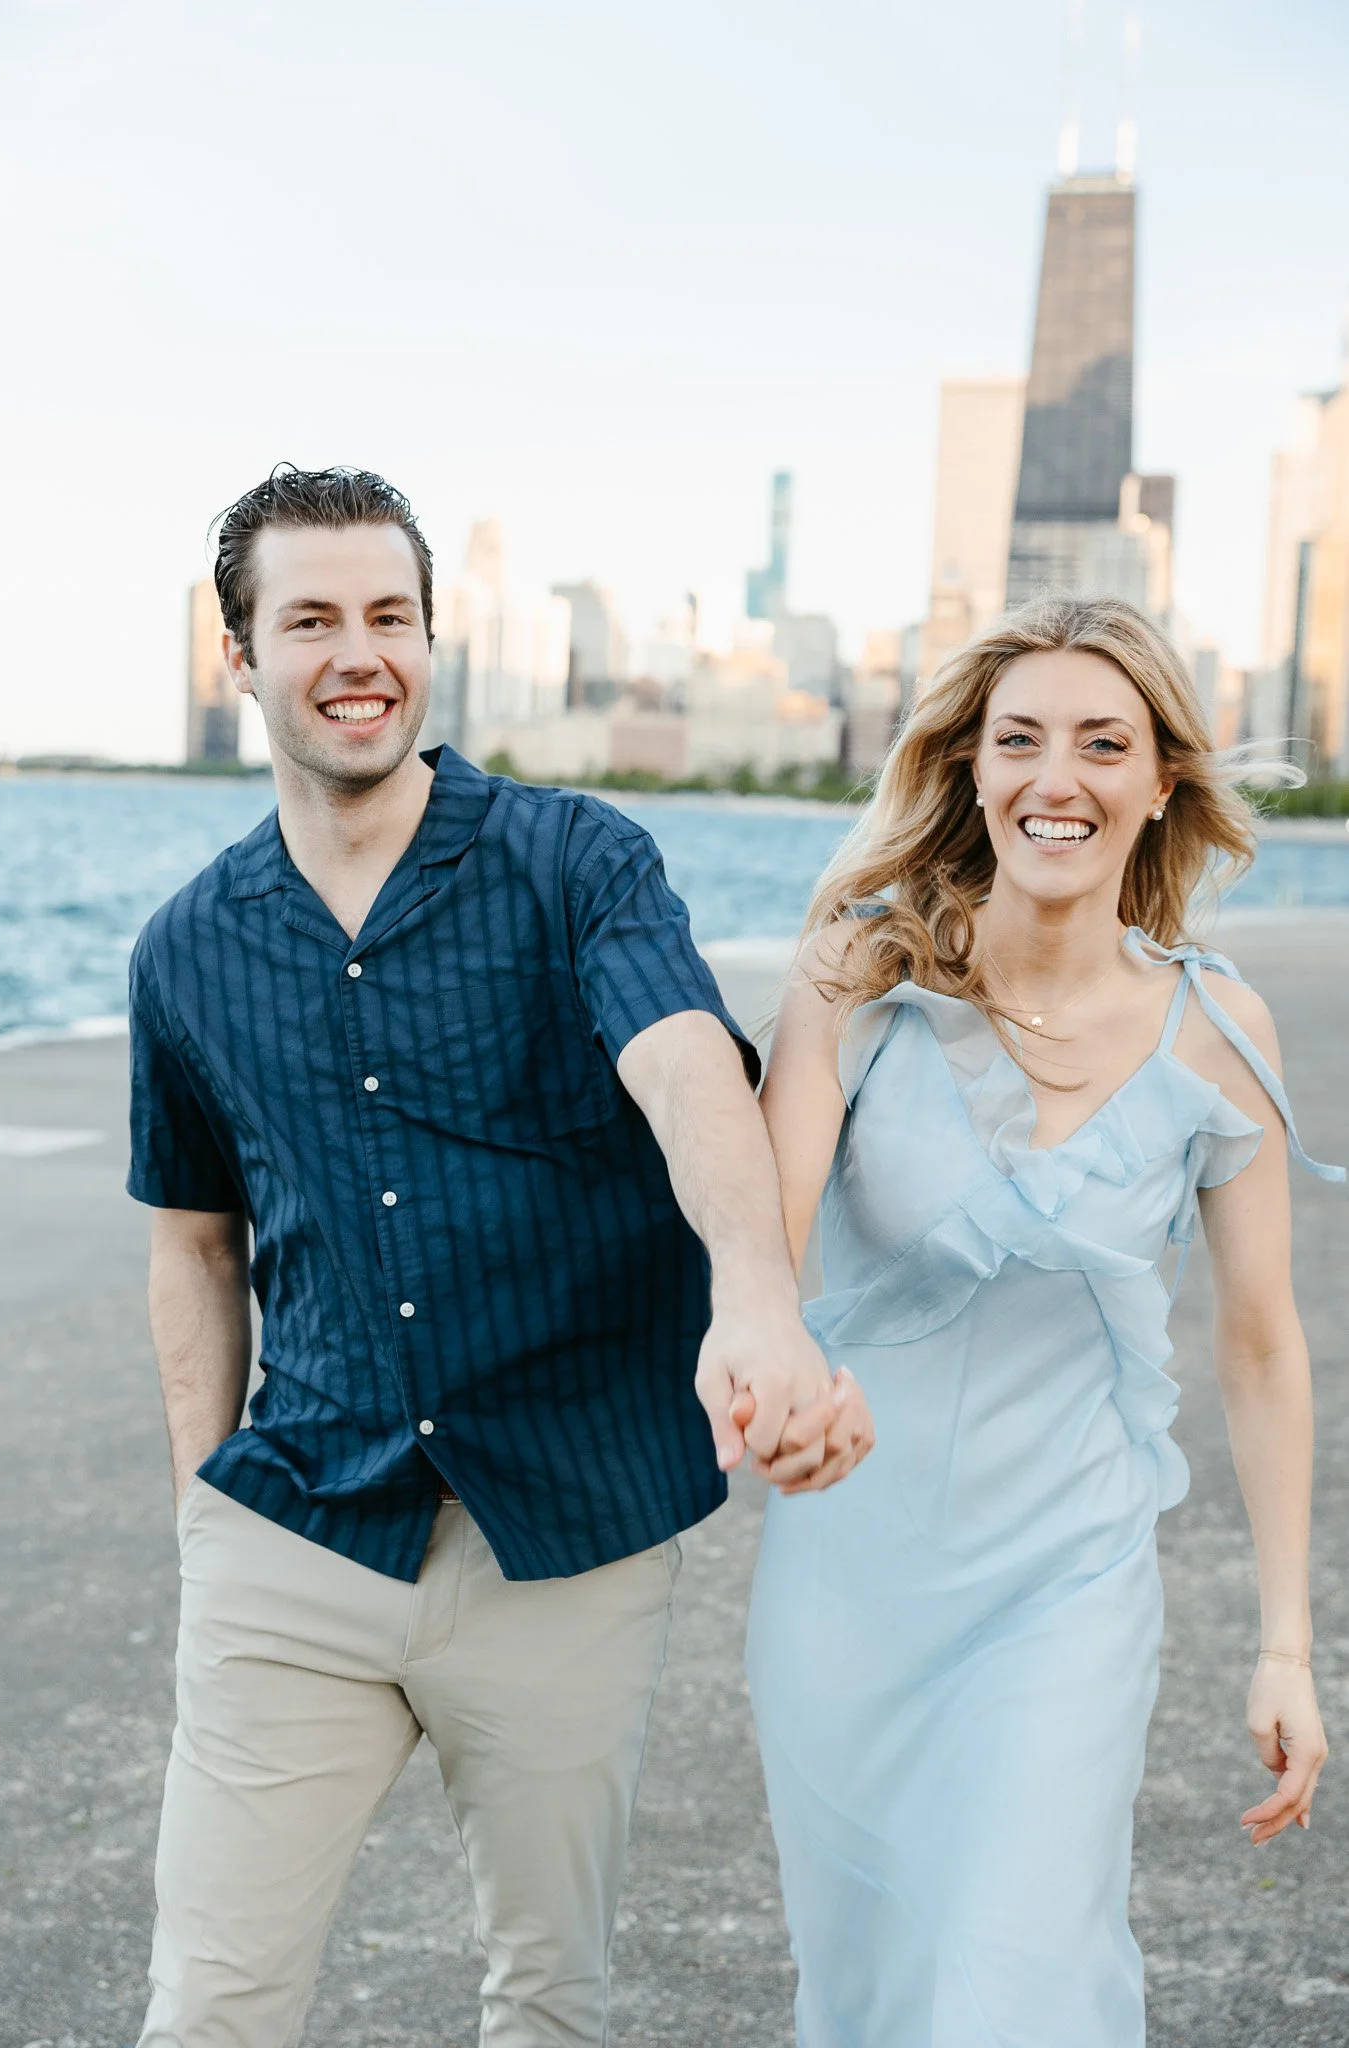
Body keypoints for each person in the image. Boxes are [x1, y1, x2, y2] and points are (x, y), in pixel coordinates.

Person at [125, 464, 872, 2048]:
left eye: (389, 614)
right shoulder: (185, 949)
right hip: (299, 1532)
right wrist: (206, 1505)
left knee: (550, 2003)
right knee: (208, 2008)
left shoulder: (577, 860)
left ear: (431, 640)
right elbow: (195, 1238)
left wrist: (755, 1294)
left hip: (570, 1532)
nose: (358, 652)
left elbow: (685, 1064)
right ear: (239, 656)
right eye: (311, 618)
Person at [745, 593, 1342, 2046]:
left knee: (1024, 1982)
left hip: (1068, 1584)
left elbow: (1259, 1343)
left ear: (1160, 784)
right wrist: (784, 1393)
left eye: (1100, 743)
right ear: (969, 770)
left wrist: (1284, 1641)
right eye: (1017, 741)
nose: (1052, 778)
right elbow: (761, 1253)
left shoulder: (1221, 1028)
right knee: (875, 1991)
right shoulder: (855, 977)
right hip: (850, 1584)